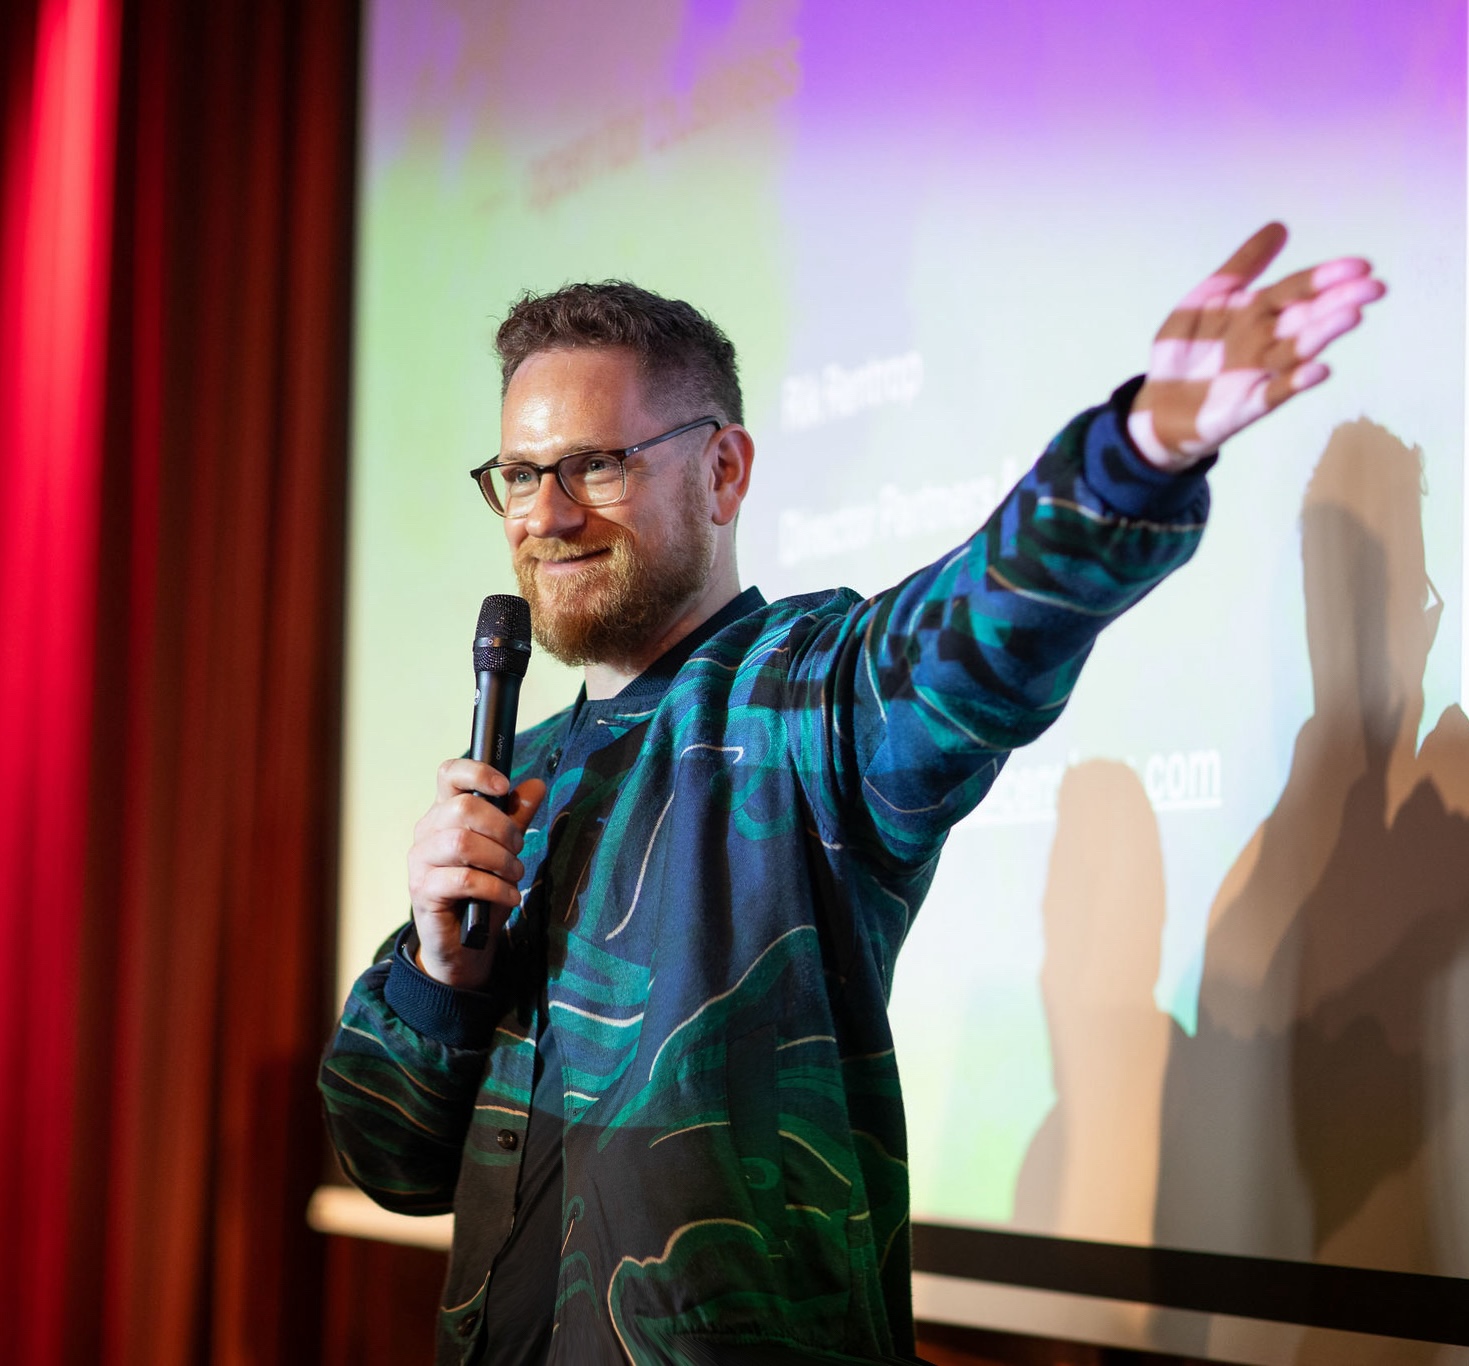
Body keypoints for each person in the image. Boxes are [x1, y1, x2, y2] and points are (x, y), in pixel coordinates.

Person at [319, 224, 1384, 1365]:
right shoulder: (517, 776)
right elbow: (389, 1160)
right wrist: (442, 973)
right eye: (522, 475)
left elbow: (973, 633)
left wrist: (1134, 451)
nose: (548, 513)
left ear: (723, 469)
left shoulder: (799, 698)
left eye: (597, 465)